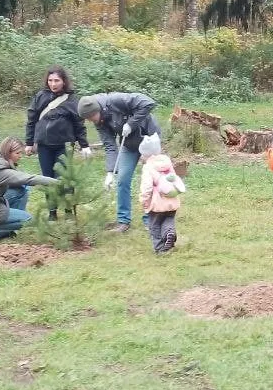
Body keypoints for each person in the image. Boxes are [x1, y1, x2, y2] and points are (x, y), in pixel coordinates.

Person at [77, 92, 162, 232]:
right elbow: (110, 146)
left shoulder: (116, 100)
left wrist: (130, 124)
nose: (91, 121)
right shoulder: (100, 122)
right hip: (128, 144)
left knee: (150, 180)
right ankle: (123, 221)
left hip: (148, 140)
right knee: (122, 179)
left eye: (91, 117)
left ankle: (151, 219)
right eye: (87, 119)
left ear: (97, 109)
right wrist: (110, 173)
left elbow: (148, 103)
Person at [24, 66, 92, 218]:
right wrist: (29, 142)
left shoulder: (71, 100)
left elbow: (79, 124)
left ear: (64, 81)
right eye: (50, 80)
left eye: (57, 80)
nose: (53, 84)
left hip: (64, 145)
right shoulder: (40, 96)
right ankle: (52, 212)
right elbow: (31, 120)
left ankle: (68, 211)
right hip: (44, 145)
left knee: (64, 178)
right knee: (47, 178)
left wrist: (84, 145)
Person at [0, 136, 59, 240]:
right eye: (17, 153)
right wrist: (58, 183)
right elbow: (29, 179)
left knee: (21, 191)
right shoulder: (1, 172)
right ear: (8, 153)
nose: (20, 156)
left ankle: (3, 227)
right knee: (28, 220)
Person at [138, 133, 186, 253]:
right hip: (171, 200)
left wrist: (144, 200)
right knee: (168, 219)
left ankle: (160, 248)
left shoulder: (148, 167)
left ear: (146, 154)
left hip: (156, 202)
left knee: (154, 225)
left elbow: (147, 187)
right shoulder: (167, 162)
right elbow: (173, 178)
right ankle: (169, 233)